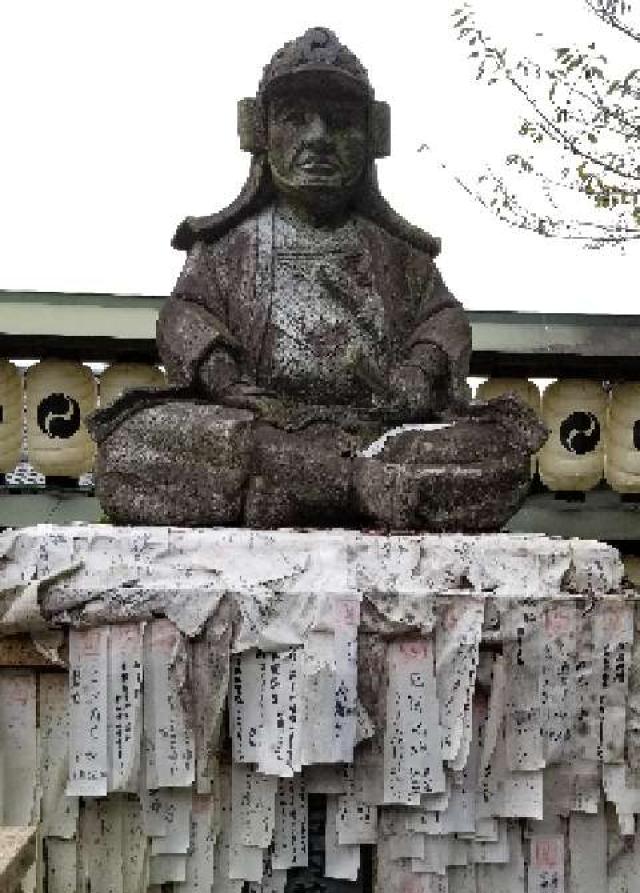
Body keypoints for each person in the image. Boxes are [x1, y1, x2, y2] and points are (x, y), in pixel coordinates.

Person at [91, 27, 545, 530]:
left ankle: (303, 490)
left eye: (340, 122)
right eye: (295, 119)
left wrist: (419, 373)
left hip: (381, 436)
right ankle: (353, 488)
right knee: (132, 444)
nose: (318, 138)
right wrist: (224, 378)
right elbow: (184, 315)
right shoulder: (226, 249)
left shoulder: (401, 256)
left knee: (502, 454)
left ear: (373, 135)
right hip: (264, 432)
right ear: (259, 132)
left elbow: (443, 319)